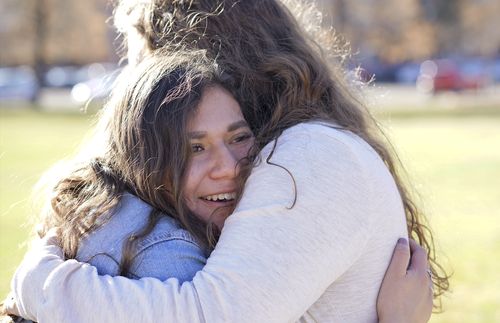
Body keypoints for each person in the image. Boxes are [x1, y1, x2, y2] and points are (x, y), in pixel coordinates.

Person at [6, 0, 449, 322]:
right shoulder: (302, 151)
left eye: (144, 54)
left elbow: (210, 315)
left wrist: (41, 285)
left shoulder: (308, 155)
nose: (138, 78)